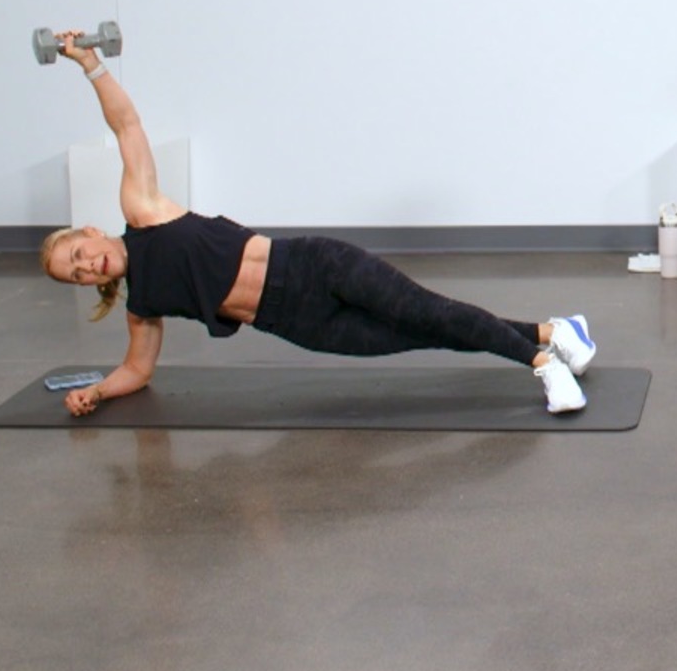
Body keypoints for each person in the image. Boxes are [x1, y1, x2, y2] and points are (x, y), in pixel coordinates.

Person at [37, 30, 598, 417]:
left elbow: (127, 126)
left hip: (313, 268)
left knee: (431, 311)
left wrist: (91, 64)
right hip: (299, 325)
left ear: (90, 232)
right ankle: (554, 330)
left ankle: (544, 364)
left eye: (78, 255)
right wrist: (98, 391)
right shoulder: (143, 305)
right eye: (78, 276)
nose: (87, 267)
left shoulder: (142, 209)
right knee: (427, 330)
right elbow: (137, 370)